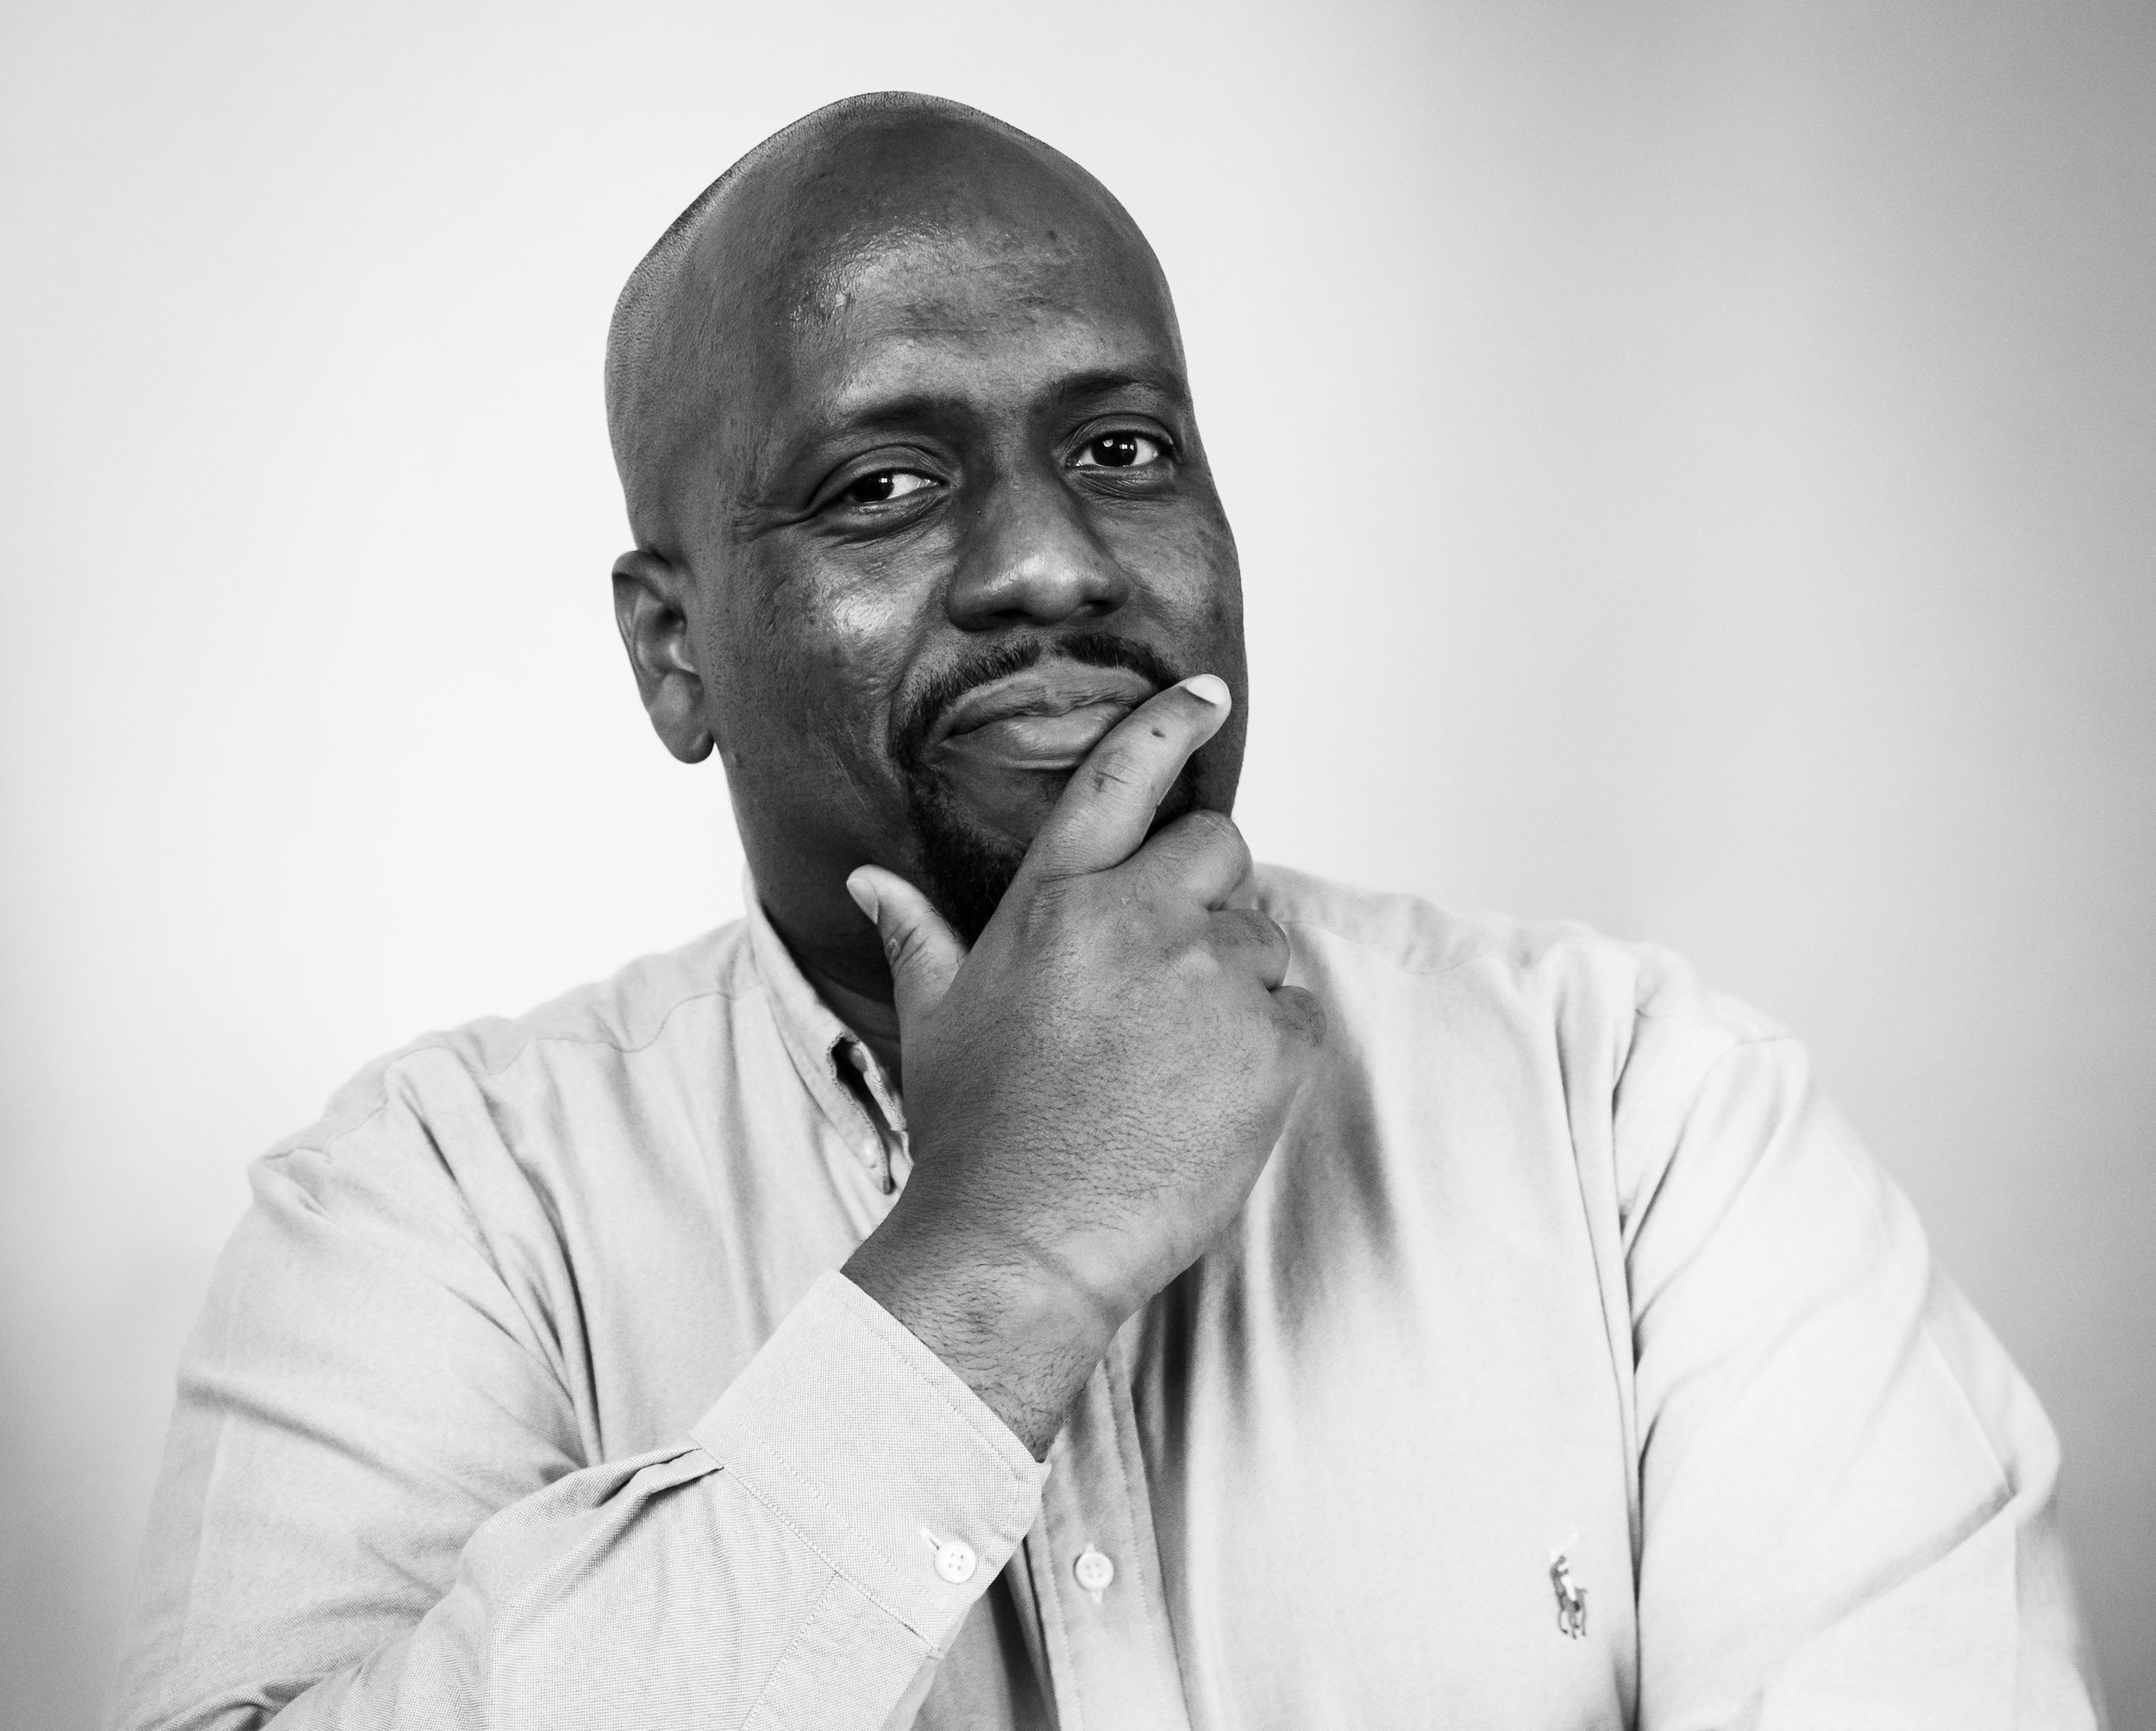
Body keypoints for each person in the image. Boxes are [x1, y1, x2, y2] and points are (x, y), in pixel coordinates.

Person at [112, 92, 2107, 1729]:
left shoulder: (1649, 1121)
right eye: (883, 484)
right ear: (671, 653)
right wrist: (994, 1258)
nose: (1053, 563)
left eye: (1120, 447)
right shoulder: (427, 1205)